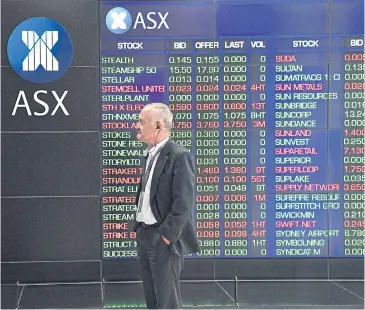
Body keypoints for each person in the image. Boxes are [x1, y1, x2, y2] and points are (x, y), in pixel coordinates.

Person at [133, 103, 200, 309]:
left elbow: (183, 203)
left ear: (159, 126)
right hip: (145, 236)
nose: (137, 126)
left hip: (163, 241)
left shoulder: (179, 156)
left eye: (142, 122)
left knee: (167, 302)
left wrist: (165, 237)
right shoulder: (151, 155)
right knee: (153, 300)